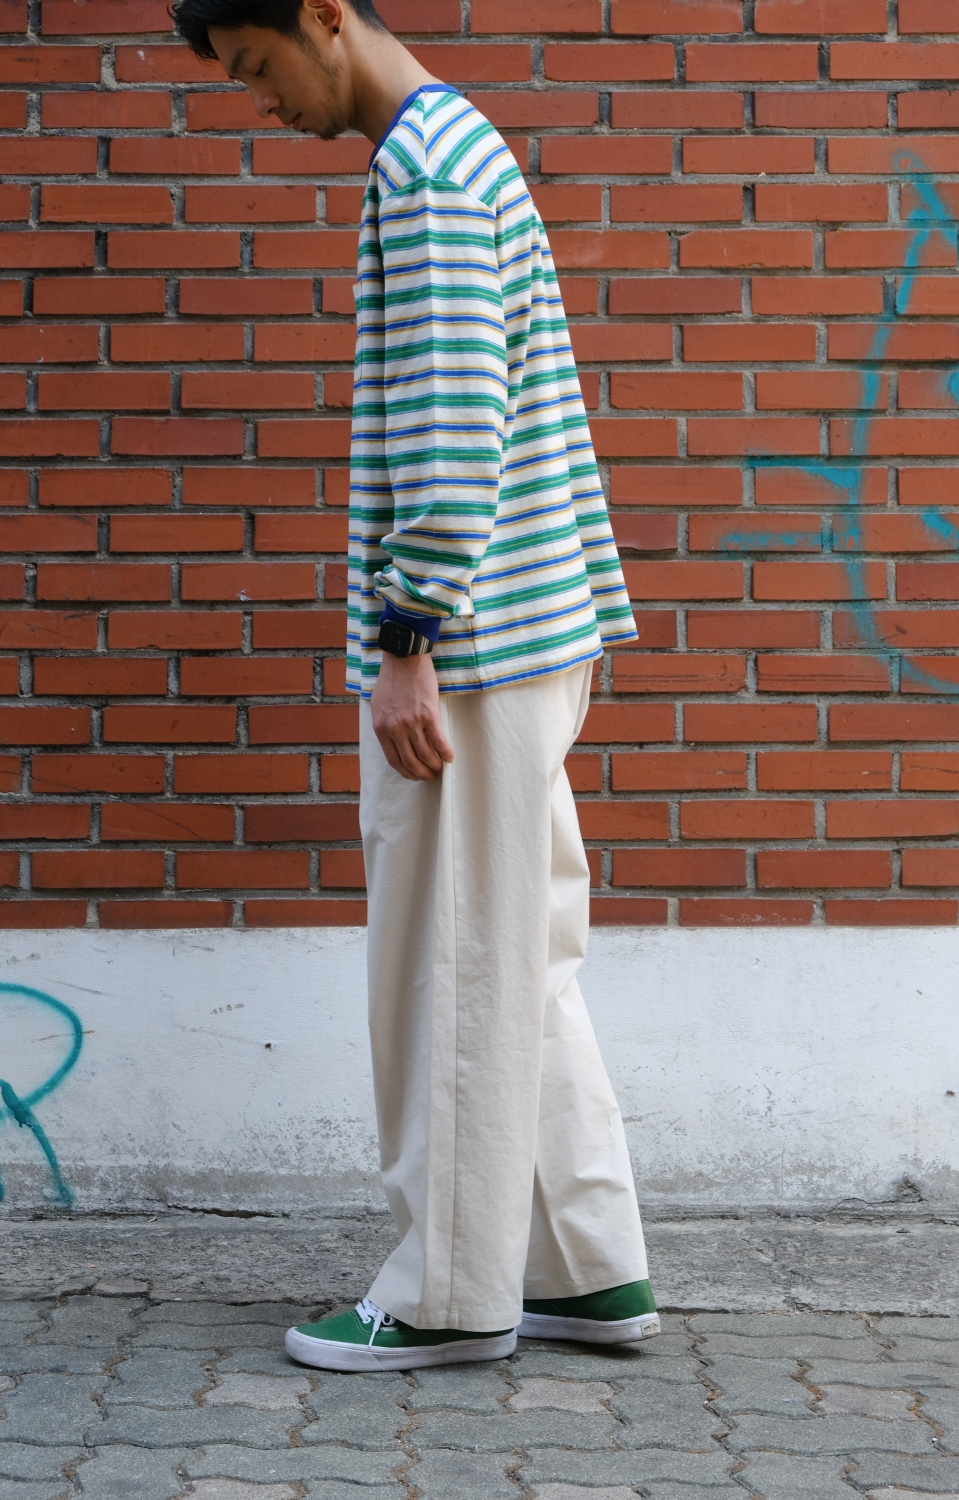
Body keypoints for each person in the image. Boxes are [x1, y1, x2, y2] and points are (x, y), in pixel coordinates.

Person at [172, 0, 659, 1374]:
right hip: (531, 632)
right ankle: (588, 1268)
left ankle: (448, 1296)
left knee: (450, 972)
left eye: (259, 65)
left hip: (469, 653)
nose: (262, 101)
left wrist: (406, 639)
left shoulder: (427, 172)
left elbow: (453, 431)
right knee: (519, 965)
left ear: (325, 17)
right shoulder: (463, 146)